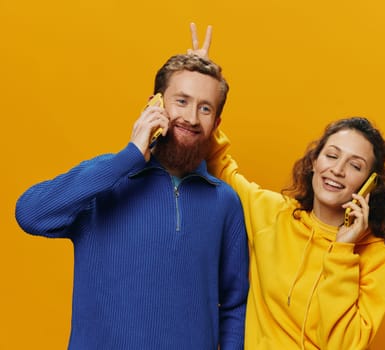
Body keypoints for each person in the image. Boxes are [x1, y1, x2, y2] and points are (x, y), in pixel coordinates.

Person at [189, 25, 385, 350]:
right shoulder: (273, 215)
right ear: (314, 161)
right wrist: (198, 81)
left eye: (355, 165)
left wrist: (342, 250)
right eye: (331, 155)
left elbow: (344, 344)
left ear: (370, 184)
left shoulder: (382, 253)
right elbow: (219, 163)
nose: (337, 170)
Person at [15, 40, 249, 348]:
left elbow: (234, 305)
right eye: (181, 101)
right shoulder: (107, 179)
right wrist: (129, 157)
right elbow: (30, 214)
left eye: (205, 108)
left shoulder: (225, 202)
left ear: (216, 123)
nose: (192, 118)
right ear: (154, 104)